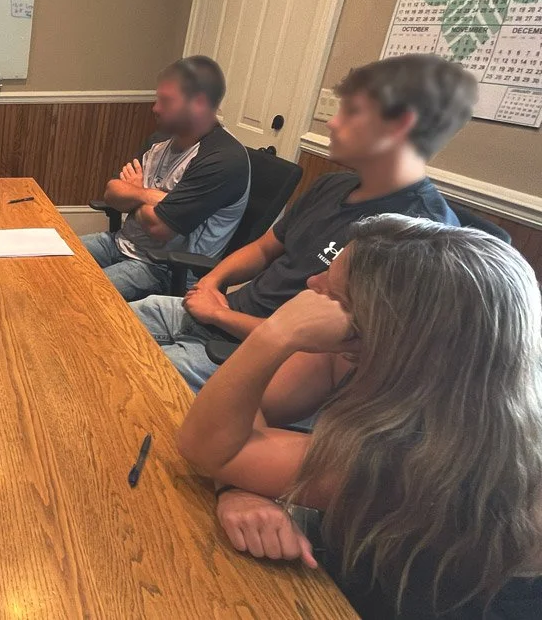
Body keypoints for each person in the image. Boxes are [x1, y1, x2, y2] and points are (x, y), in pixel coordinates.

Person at [178, 215, 542, 618]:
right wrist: (241, 488)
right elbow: (242, 413)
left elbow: (208, 444)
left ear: (385, 330)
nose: (311, 284)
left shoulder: (424, 457)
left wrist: (275, 334)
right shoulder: (391, 363)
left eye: (336, 293)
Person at [133, 53, 476, 391]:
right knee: (101, 325)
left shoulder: (416, 239)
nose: (331, 123)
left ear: (399, 126)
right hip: (222, 315)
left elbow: (334, 351)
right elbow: (266, 248)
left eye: (351, 111)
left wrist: (219, 316)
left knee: (129, 378)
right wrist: (212, 281)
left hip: (264, 360)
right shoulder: (332, 184)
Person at [81, 56, 249, 301]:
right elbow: (111, 192)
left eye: (166, 101)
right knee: (47, 261)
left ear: (199, 104)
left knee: (77, 294)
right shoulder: (160, 141)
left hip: (165, 269)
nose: (155, 108)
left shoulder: (221, 159)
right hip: (120, 243)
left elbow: (160, 227)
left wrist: (133, 194)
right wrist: (146, 195)